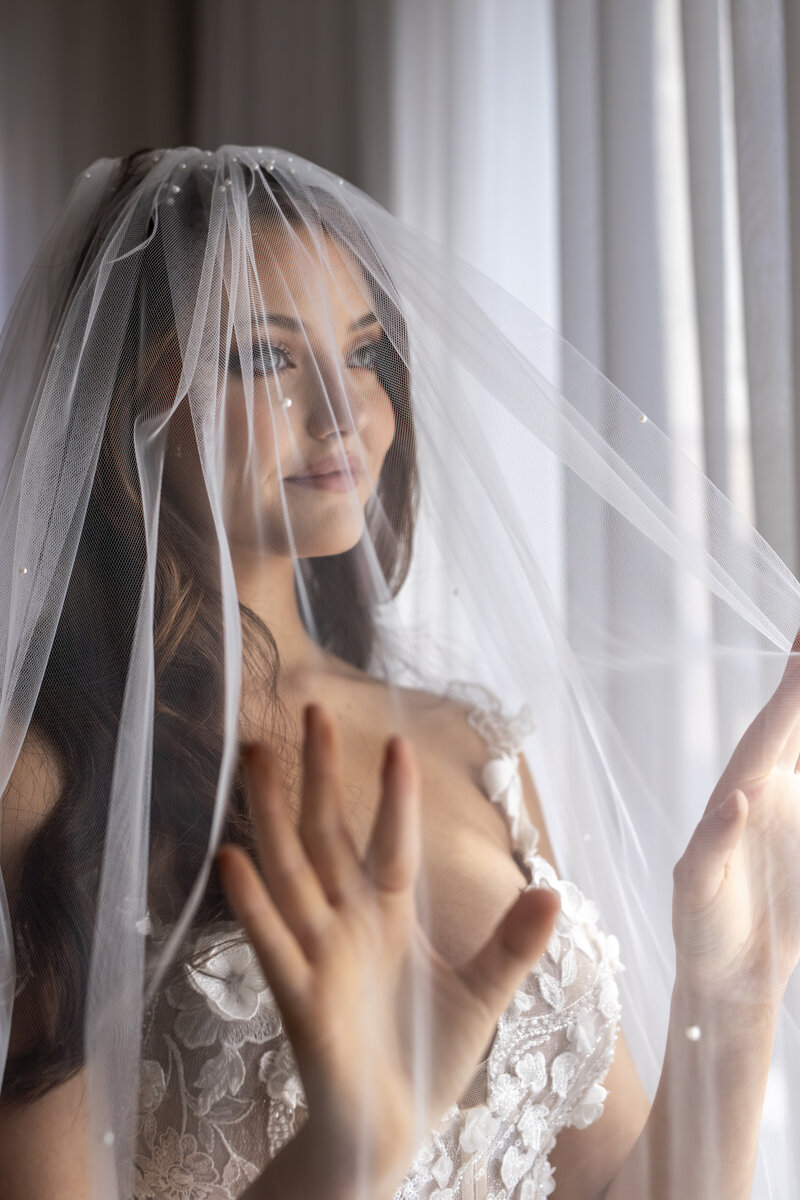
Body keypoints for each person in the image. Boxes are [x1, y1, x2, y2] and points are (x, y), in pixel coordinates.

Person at [0, 145, 798, 1200]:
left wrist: (731, 995)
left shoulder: (466, 746)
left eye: (366, 353)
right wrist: (343, 1151)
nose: (344, 414)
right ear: (125, 399)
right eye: (263, 357)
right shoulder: (39, 773)